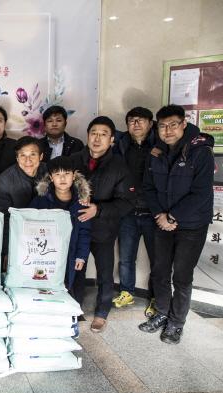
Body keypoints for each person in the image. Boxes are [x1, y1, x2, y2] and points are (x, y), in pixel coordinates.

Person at [139, 104, 214, 344]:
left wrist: (172, 217)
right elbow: (148, 188)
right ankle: (162, 312)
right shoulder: (155, 152)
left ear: (184, 124)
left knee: (182, 276)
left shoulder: (200, 152)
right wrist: (160, 215)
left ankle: (176, 322)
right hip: (162, 222)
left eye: (173, 125)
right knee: (160, 272)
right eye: (162, 126)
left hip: (192, 225)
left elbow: (201, 193)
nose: (168, 130)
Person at [70, 116, 135, 333]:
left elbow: (127, 202)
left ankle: (101, 313)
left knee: (105, 273)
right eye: (93, 133)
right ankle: (74, 308)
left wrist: (98, 209)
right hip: (77, 227)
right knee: (75, 270)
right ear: (87, 136)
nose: (97, 138)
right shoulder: (73, 160)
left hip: (103, 229)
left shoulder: (119, 166)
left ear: (112, 139)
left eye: (103, 134)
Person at [112, 107, 158, 314]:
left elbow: (191, 131)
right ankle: (126, 291)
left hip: (154, 212)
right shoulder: (121, 144)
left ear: (151, 124)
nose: (136, 124)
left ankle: (156, 297)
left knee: (157, 260)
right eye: (131, 120)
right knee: (126, 257)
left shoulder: (160, 143)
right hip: (128, 211)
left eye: (141, 120)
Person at [29, 156, 91, 305]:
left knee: (71, 284)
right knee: (45, 284)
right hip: (46, 253)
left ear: (73, 176)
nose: (62, 178)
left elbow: (85, 232)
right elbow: (29, 227)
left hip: (71, 253)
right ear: (51, 178)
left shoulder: (81, 202)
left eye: (67, 174)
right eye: (57, 174)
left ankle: (72, 312)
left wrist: (81, 256)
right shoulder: (41, 200)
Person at [0, 136, 47, 258]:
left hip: (46, 234)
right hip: (18, 237)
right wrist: (7, 251)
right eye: (23, 155)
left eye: (33, 154)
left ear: (41, 156)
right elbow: (4, 218)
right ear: (17, 158)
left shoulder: (49, 172)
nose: (28, 160)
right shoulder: (5, 180)